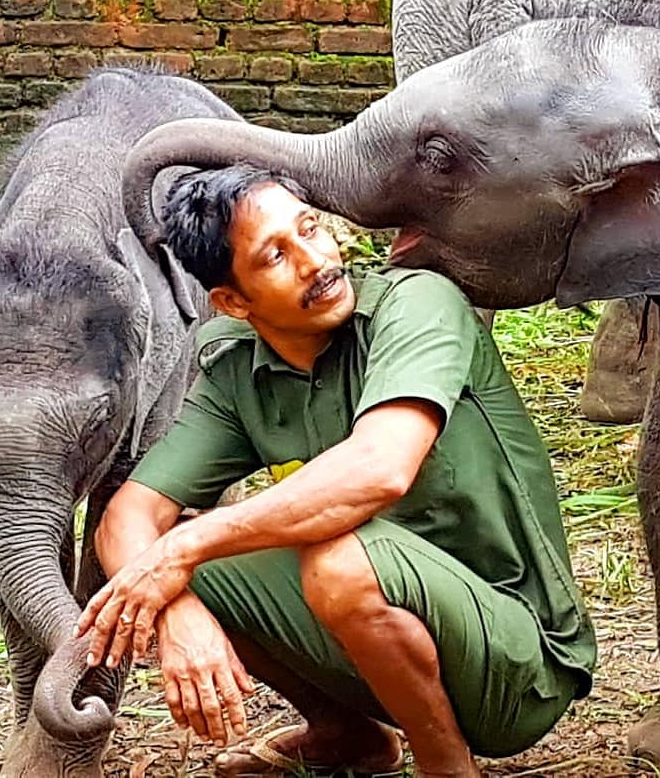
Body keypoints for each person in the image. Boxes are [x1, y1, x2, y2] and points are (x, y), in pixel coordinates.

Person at [76, 164, 596, 777]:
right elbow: (126, 518)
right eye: (276, 255)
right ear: (232, 302)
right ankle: (348, 734)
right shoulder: (238, 374)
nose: (317, 260)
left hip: (518, 661)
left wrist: (186, 546)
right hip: (381, 651)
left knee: (332, 559)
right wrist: (177, 606)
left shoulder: (417, 305)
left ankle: (447, 767)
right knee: (165, 554)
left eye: (311, 229)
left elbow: (380, 469)